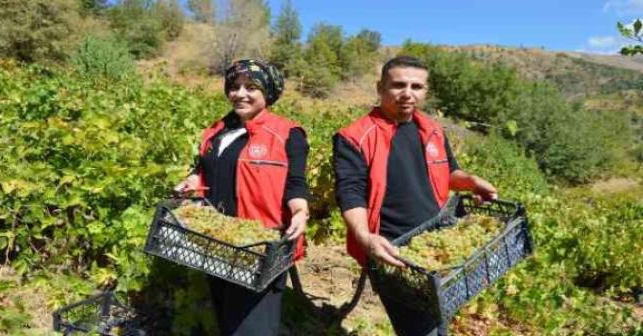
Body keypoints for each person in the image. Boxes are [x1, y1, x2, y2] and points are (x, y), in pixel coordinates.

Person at [332, 56, 498, 336]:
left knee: (436, 321)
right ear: (380, 87)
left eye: (416, 86)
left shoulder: (432, 129)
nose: (407, 93)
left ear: (425, 91)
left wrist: (470, 182)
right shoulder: (354, 137)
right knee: (422, 330)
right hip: (393, 252)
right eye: (398, 84)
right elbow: (350, 193)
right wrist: (364, 235)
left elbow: (448, 173)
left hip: (435, 244)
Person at [175, 59, 310, 336]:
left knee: (253, 327)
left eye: (251, 87)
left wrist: (300, 211)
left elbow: (295, 183)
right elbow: (205, 170)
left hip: (258, 247)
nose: (241, 93)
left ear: (267, 92)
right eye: (234, 86)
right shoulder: (218, 131)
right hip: (217, 241)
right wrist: (192, 181)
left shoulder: (287, 133)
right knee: (226, 316)